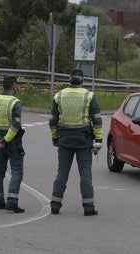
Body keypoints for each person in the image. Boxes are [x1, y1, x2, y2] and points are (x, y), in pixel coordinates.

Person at [49, 68, 103, 216]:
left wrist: (55, 138)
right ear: (83, 80)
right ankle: (89, 207)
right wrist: (98, 139)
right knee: (85, 173)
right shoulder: (89, 96)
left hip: (64, 140)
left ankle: (55, 205)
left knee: (62, 172)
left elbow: (53, 120)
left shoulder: (59, 96)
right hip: (84, 140)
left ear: (69, 79)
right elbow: (97, 120)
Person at [0, 75, 25, 213]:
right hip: (11, 141)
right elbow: (15, 125)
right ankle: (12, 202)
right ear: (14, 86)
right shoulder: (15, 102)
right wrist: (6, 140)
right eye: (17, 85)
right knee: (17, 171)